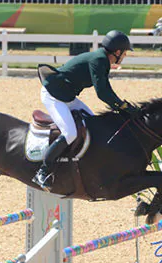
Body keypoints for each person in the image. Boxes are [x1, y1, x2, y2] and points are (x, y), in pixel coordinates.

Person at [32, 30, 138, 191]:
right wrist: (122, 106)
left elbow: (105, 91)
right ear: (117, 52)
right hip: (53, 95)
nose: (124, 56)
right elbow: (102, 92)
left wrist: (120, 106)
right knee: (70, 133)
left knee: (93, 122)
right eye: (124, 53)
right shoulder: (99, 60)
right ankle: (42, 172)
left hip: (67, 96)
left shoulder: (101, 59)